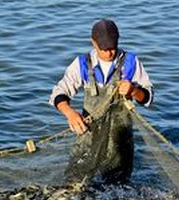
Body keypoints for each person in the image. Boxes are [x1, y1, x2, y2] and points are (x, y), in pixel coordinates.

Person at [49, 19, 154, 183]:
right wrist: (69, 113)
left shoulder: (130, 63)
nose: (109, 53)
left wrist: (134, 90)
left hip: (120, 139)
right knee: (74, 181)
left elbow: (148, 98)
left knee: (118, 185)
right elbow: (59, 92)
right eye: (103, 48)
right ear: (93, 43)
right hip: (89, 135)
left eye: (112, 47)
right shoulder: (82, 64)